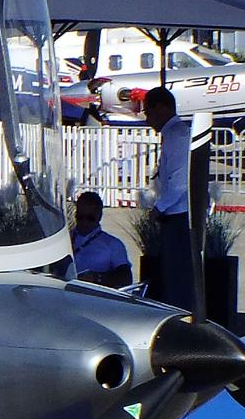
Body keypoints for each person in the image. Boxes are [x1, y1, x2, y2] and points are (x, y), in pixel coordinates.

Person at [142, 86, 196, 311]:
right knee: (172, 273)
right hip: (173, 214)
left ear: (162, 108)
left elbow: (180, 181)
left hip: (178, 214)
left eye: (149, 112)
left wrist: (159, 208)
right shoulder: (172, 134)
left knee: (178, 275)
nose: (148, 119)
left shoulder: (177, 135)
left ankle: (181, 316)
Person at [70, 191, 132, 288]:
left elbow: (126, 278)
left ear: (99, 216)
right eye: (80, 217)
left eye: (90, 218)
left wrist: (97, 278)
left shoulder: (112, 244)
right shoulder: (66, 239)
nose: (84, 222)